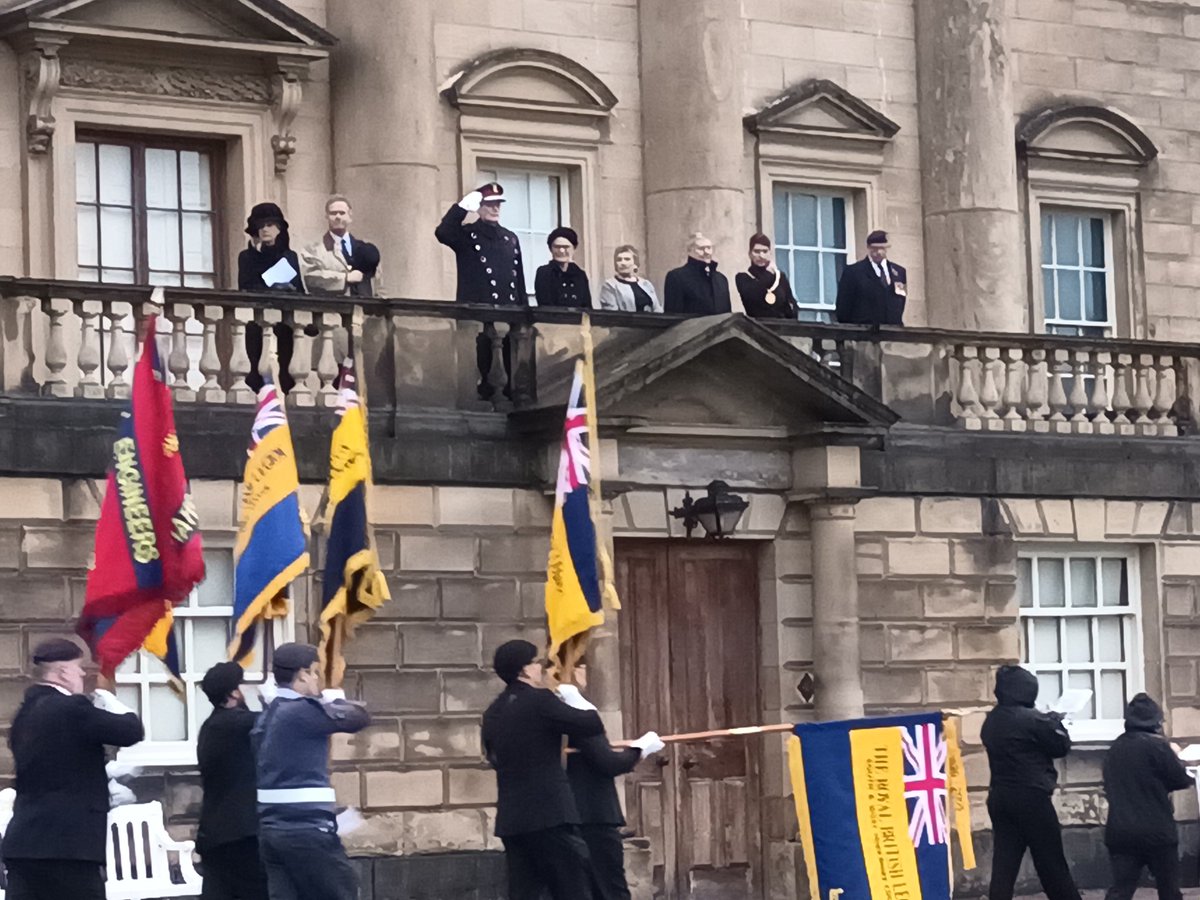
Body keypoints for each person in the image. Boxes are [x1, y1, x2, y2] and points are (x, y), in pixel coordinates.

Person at [2, 639, 144, 900]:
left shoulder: (24, 714)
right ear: (62, 673)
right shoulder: (72, 708)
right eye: (78, 667)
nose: (82, 674)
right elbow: (131, 730)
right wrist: (107, 697)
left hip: (24, 844)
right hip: (69, 846)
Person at [482, 640, 605, 900]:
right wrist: (575, 698)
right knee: (574, 888)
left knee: (524, 892)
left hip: (513, 819)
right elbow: (591, 725)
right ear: (524, 670)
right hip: (550, 814)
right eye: (536, 663)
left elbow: (493, 756)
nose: (541, 668)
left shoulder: (493, 712)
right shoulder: (539, 700)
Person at [251, 643, 370, 900]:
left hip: (272, 831)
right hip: (306, 832)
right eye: (315, 672)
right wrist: (333, 698)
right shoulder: (301, 712)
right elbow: (359, 718)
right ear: (303, 674)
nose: (317, 679)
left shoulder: (266, 716)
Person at [561, 661, 664, 900]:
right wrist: (640, 749)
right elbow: (607, 762)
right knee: (609, 889)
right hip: (593, 814)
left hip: (569, 814)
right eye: (580, 666)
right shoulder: (579, 714)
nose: (587, 672)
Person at [980, 665, 1080, 900]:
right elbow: (1060, 747)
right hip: (1031, 797)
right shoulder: (1032, 719)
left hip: (1000, 795)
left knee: (1004, 864)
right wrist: (1056, 722)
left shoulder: (992, 720)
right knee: (1052, 863)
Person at [434, 182, 527, 399]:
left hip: (507, 317)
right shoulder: (468, 235)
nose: (495, 209)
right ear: (479, 206)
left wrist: (524, 314)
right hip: (478, 319)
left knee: (509, 377)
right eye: (489, 204)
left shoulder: (510, 238)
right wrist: (462, 208)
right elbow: (443, 232)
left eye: (498, 204)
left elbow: (518, 279)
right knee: (482, 373)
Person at [1102, 693, 1193, 900]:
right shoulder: (1158, 746)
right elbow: (1181, 780)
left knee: (1121, 889)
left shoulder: (1115, 748)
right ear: (1156, 722)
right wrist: (1177, 757)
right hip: (1157, 830)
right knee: (1168, 889)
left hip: (1120, 830)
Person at [196, 661, 268, 900]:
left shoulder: (211, 726)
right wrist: (275, 701)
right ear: (234, 692)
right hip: (240, 835)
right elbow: (273, 722)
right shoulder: (233, 723)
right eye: (243, 684)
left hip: (217, 833)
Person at [237, 202, 304, 393]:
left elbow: (298, 289)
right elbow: (246, 288)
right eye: (261, 226)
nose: (265, 229)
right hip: (257, 323)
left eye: (269, 225)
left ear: (278, 228)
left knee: (286, 370)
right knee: (255, 368)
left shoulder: (289, 256)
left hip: (284, 323)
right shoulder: (247, 257)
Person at [299, 195, 382, 298]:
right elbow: (311, 279)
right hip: (332, 311)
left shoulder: (366, 250)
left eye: (342, 213)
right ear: (326, 217)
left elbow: (379, 285)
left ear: (350, 216)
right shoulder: (313, 249)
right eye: (333, 213)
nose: (338, 217)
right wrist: (345, 278)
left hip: (365, 310)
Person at [834, 229, 907, 326]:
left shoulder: (899, 272)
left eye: (882, 248)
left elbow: (901, 301)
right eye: (875, 248)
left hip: (894, 333)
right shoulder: (853, 272)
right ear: (868, 247)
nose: (879, 252)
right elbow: (843, 308)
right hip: (864, 333)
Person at [663, 232, 731, 316]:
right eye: (701, 248)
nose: (706, 252)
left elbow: (728, 315)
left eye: (709, 248)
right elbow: (672, 315)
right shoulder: (677, 277)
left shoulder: (721, 279)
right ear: (689, 251)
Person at [734, 233, 800, 319]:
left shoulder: (780, 277)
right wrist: (768, 273)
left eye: (765, 251)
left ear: (770, 253)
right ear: (750, 254)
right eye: (757, 251)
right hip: (758, 328)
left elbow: (792, 305)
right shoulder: (743, 278)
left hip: (782, 328)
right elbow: (753, 298)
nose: (761, 256)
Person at [534, 227, 592, 308]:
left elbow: (587, 306)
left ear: (574, 248)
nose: (561, 251)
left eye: (566, 247)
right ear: (550, 249)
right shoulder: (544, 273)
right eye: (557, 247)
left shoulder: (580, 275)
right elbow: (545, 304)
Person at [597, 245, 660, 313]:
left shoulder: (646, 284)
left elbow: (657, 309)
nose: (623, 263)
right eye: (619, 260)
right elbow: (612, 315)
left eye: (627, 259)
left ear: (635, 263)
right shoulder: (609, 286)